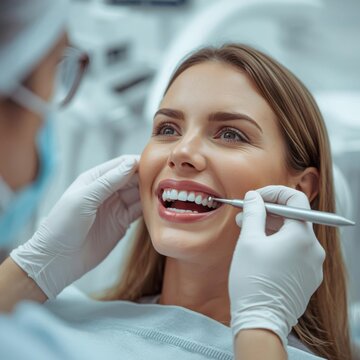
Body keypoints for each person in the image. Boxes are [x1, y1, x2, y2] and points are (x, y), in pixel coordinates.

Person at [0, 0, 331, 358]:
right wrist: (34, 270)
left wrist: (261, 327)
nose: (182, 153)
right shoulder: (35, 314)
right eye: (168, 128)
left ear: (301, 188)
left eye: (231, 134)